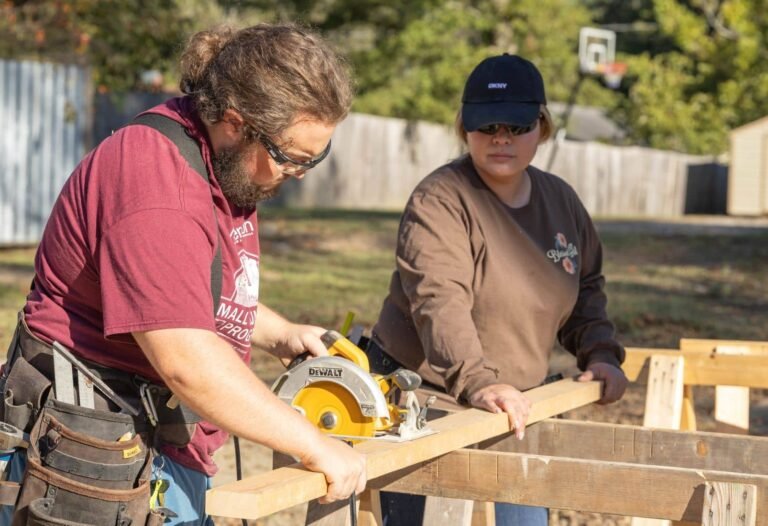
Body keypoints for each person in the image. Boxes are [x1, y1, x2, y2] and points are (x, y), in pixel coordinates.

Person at [0, 23, 366, 525]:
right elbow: (186, 361)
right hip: (94, 460)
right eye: (291, 157)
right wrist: (314, 444)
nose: (300, 172)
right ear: (235, 122)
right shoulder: (157, 186)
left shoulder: (220, 160)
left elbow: (183, 287)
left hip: (154, 445)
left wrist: (279, 333)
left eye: (316, 157)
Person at [367, 53, 628, 525]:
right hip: (426, 400)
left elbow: (585, 287)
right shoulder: (440, 200)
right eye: (487, 126)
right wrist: (478, 381)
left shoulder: (561, 201)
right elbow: (439, 301)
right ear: (464, 127)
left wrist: (601, 353)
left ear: (541, 127)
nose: (501, 137)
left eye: (517, 126)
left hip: (519, 403)